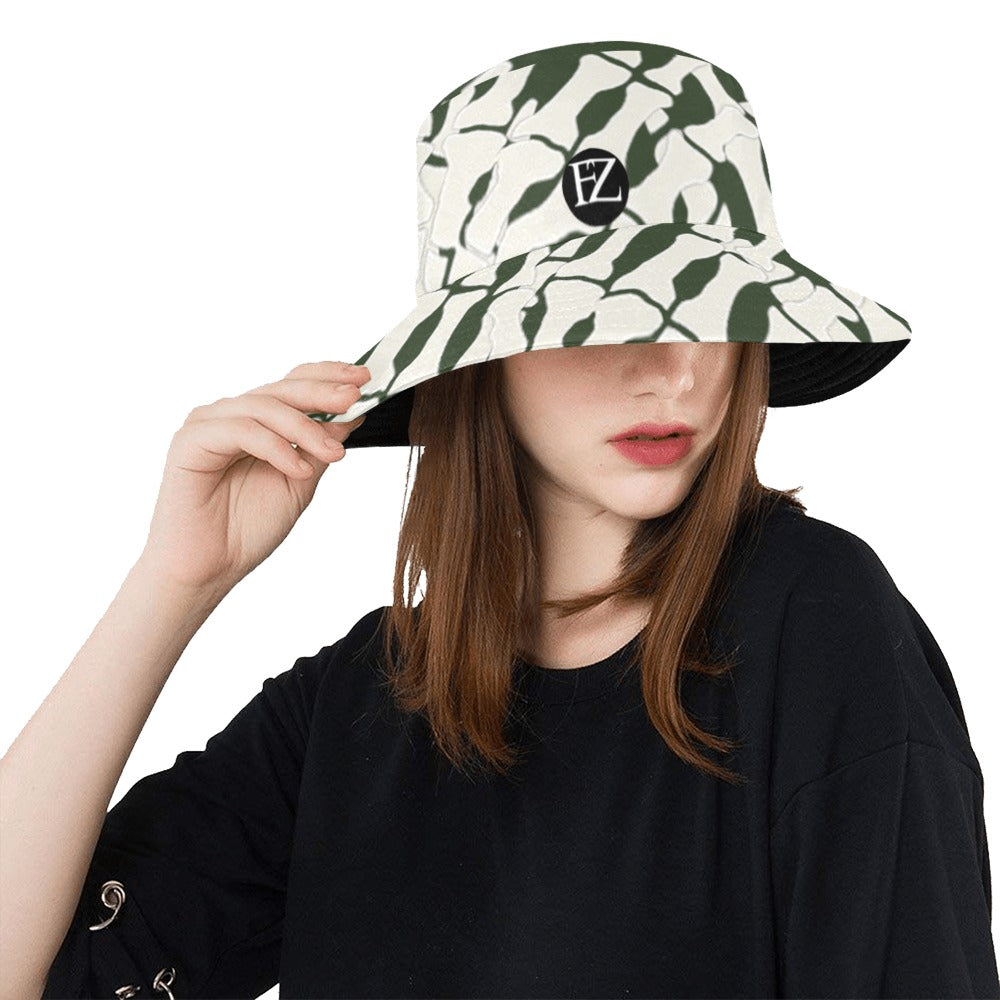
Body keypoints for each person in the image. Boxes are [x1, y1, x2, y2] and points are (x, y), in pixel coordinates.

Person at [2, 38, 997, 1000]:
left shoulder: (817, 627)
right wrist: (174, 583)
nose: (673, 368)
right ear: (480, 355)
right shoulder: (363, 705)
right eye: (602, 314)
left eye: (706, 306)